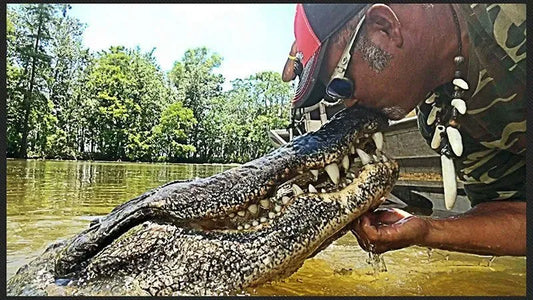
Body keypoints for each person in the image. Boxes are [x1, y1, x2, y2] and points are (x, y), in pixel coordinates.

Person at [283, 4, 525, 256]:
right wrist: (428, 230)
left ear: (385, 27)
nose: (348, 103)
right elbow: (516, 210)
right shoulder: (438, 120)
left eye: (341, 85)